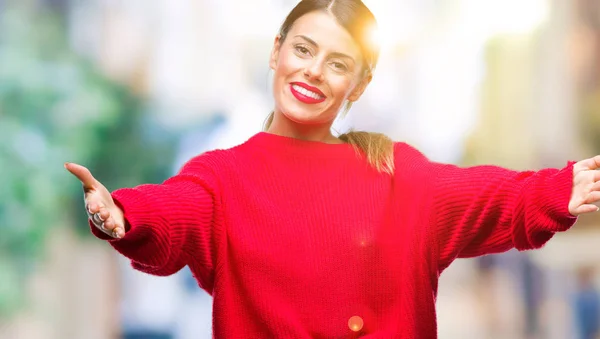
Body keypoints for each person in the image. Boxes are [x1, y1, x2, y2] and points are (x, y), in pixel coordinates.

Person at [65, 0, 600, 337]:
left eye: (338, 63)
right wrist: (123, 213)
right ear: (276, 53)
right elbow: (177, 208)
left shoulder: (396, 173)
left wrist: (561, 187)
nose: (313, 72)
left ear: (359, 85)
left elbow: (484, 195)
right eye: (303, 48)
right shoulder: (224, 176)